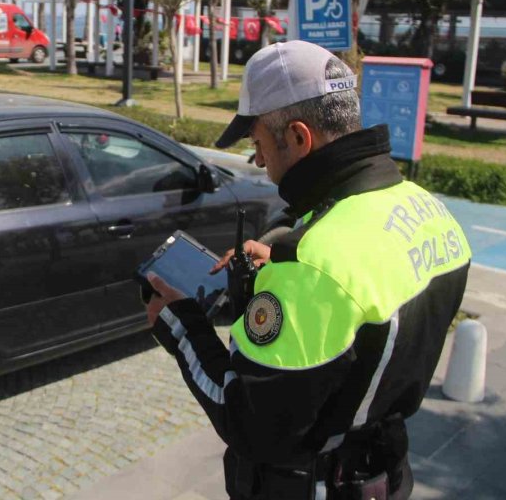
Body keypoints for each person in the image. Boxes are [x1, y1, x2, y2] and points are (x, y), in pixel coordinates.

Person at [145, 40, 471, 499]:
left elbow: (251, 425)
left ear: (299, 137)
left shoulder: (312, 265)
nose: (257, 161)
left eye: (258, 144)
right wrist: (283, 258)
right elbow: (362, 317)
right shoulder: (429, 210)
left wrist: (181, 326)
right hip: (388, 474)